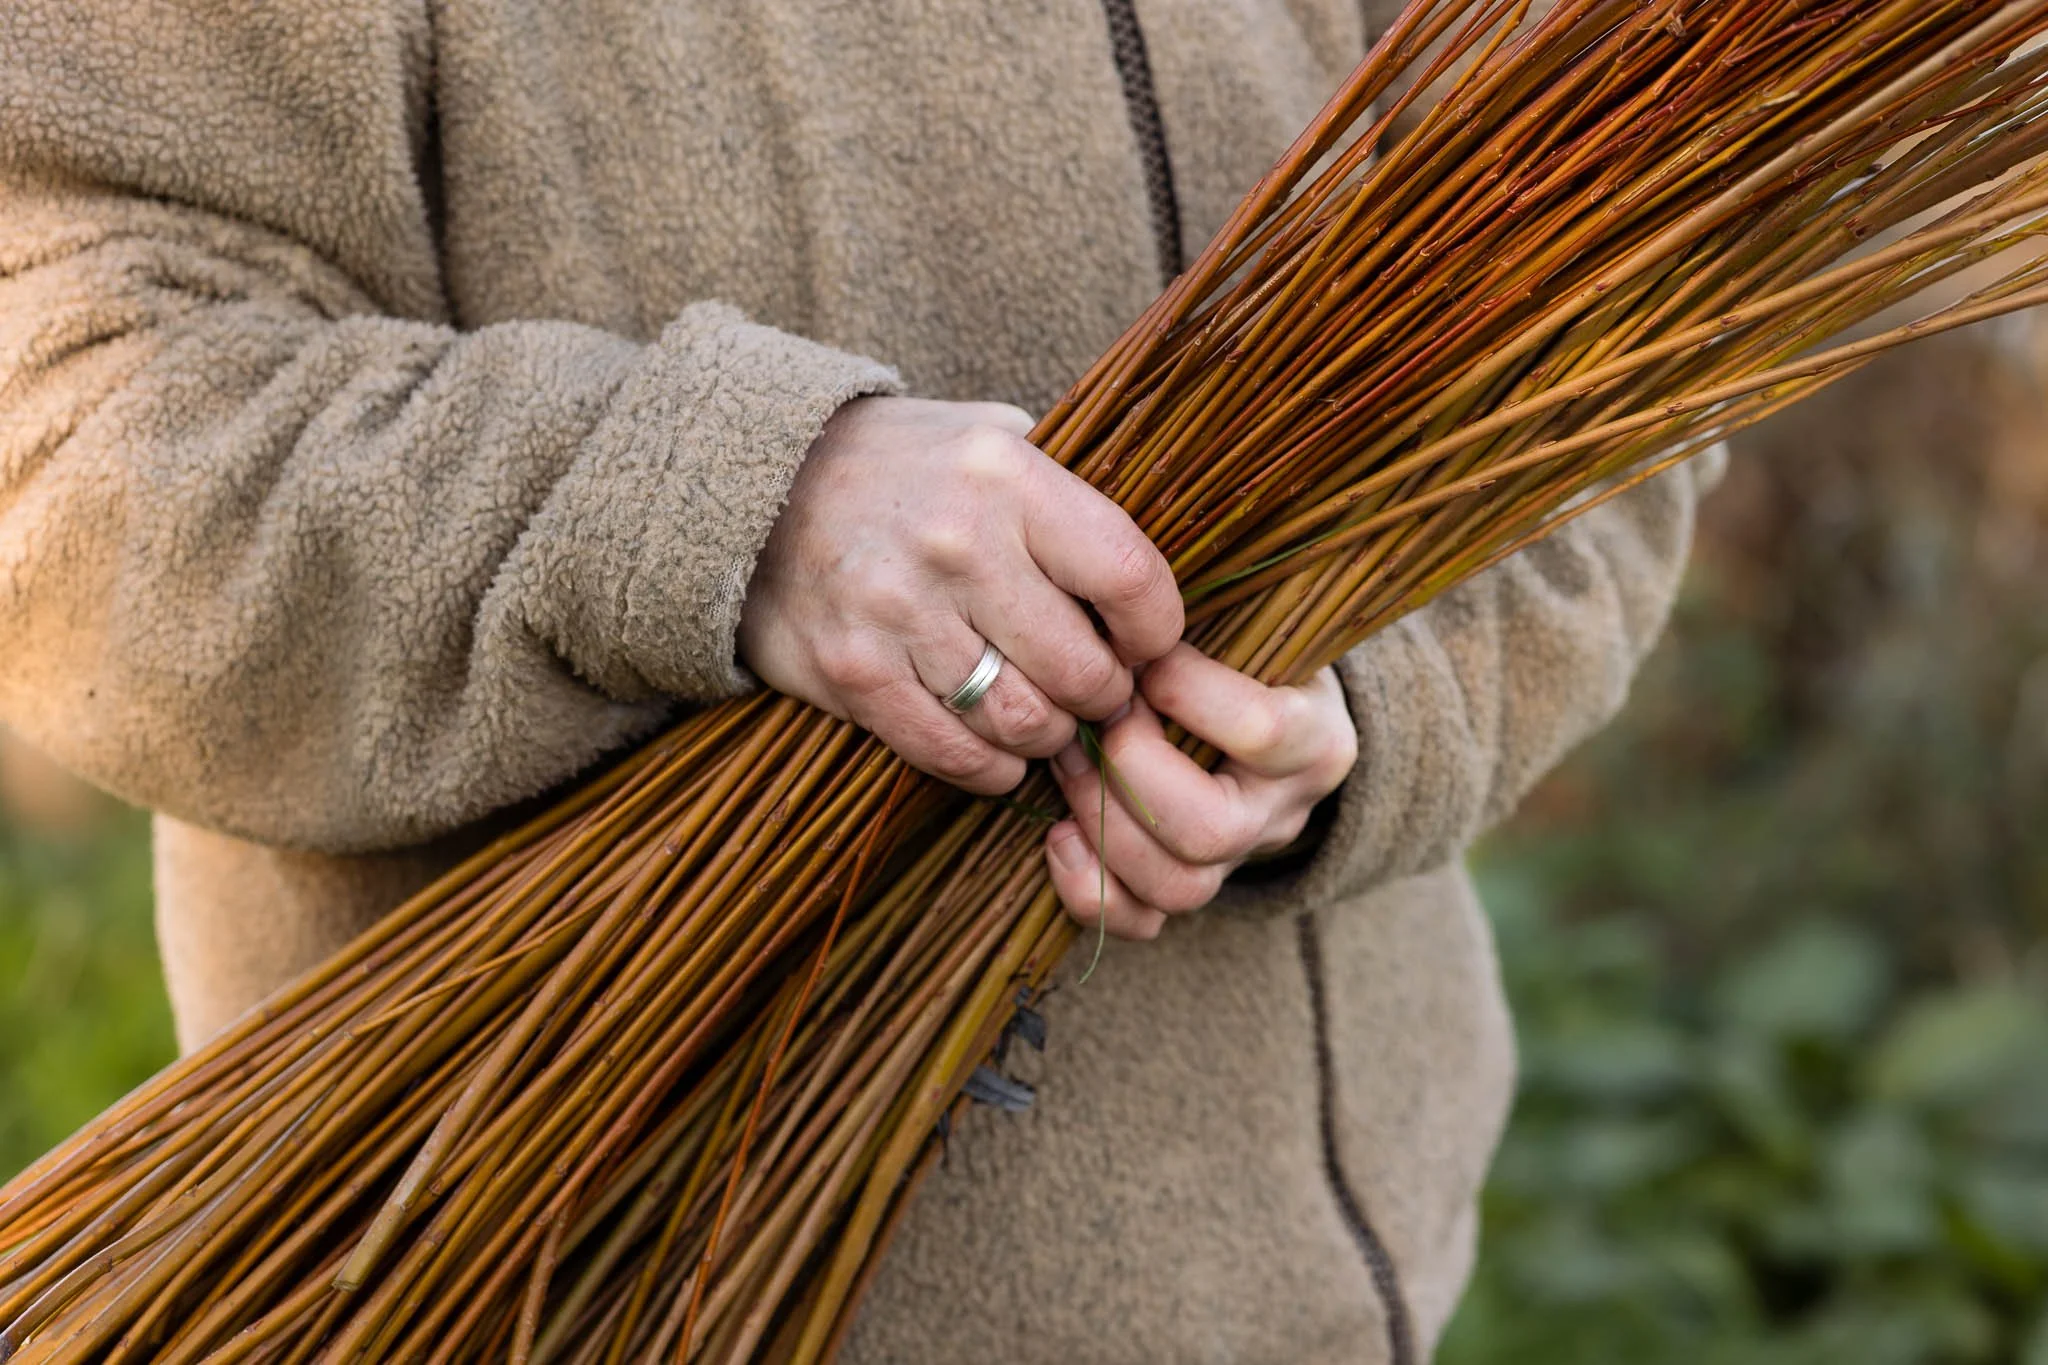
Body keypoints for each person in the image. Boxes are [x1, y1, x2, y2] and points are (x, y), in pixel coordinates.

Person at [0, 2, 1716, 1360]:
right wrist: (742, 509)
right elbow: (66, 445)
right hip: (549, 1287)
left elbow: (1631, 331)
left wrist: (1376, 689)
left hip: (1346, 1290)